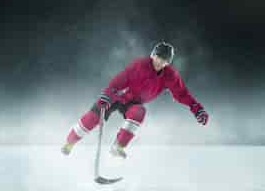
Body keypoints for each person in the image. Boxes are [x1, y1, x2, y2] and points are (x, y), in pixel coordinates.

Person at [61, 41, 209, 159]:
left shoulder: (170, 75)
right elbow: (120, 80)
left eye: (163, 60)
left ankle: (118, 146)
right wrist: (107, 94)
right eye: (157, 57)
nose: (159, 62)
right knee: (92, 118)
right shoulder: (140, 65)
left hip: (134, 103)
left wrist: (197, 108)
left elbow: (181, 93)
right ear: (153, 55)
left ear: (167, 63)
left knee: (139, 112)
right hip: (117, 96)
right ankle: (69, 143)